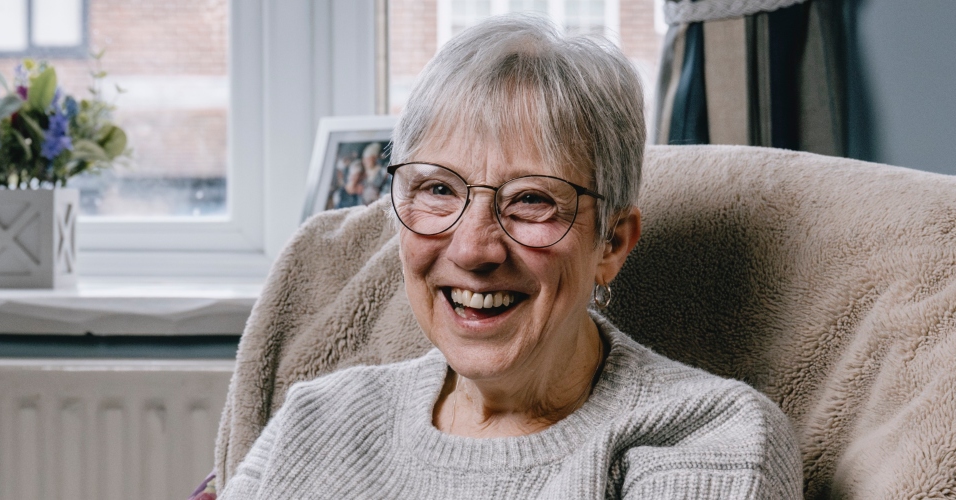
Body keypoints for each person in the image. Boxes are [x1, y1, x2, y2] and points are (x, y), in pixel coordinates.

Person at [220, 14, 802, 499]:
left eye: (531, 201)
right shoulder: (319, 417)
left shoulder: (706, 436)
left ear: (612, 244)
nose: (473, 249)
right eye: (439, 189)